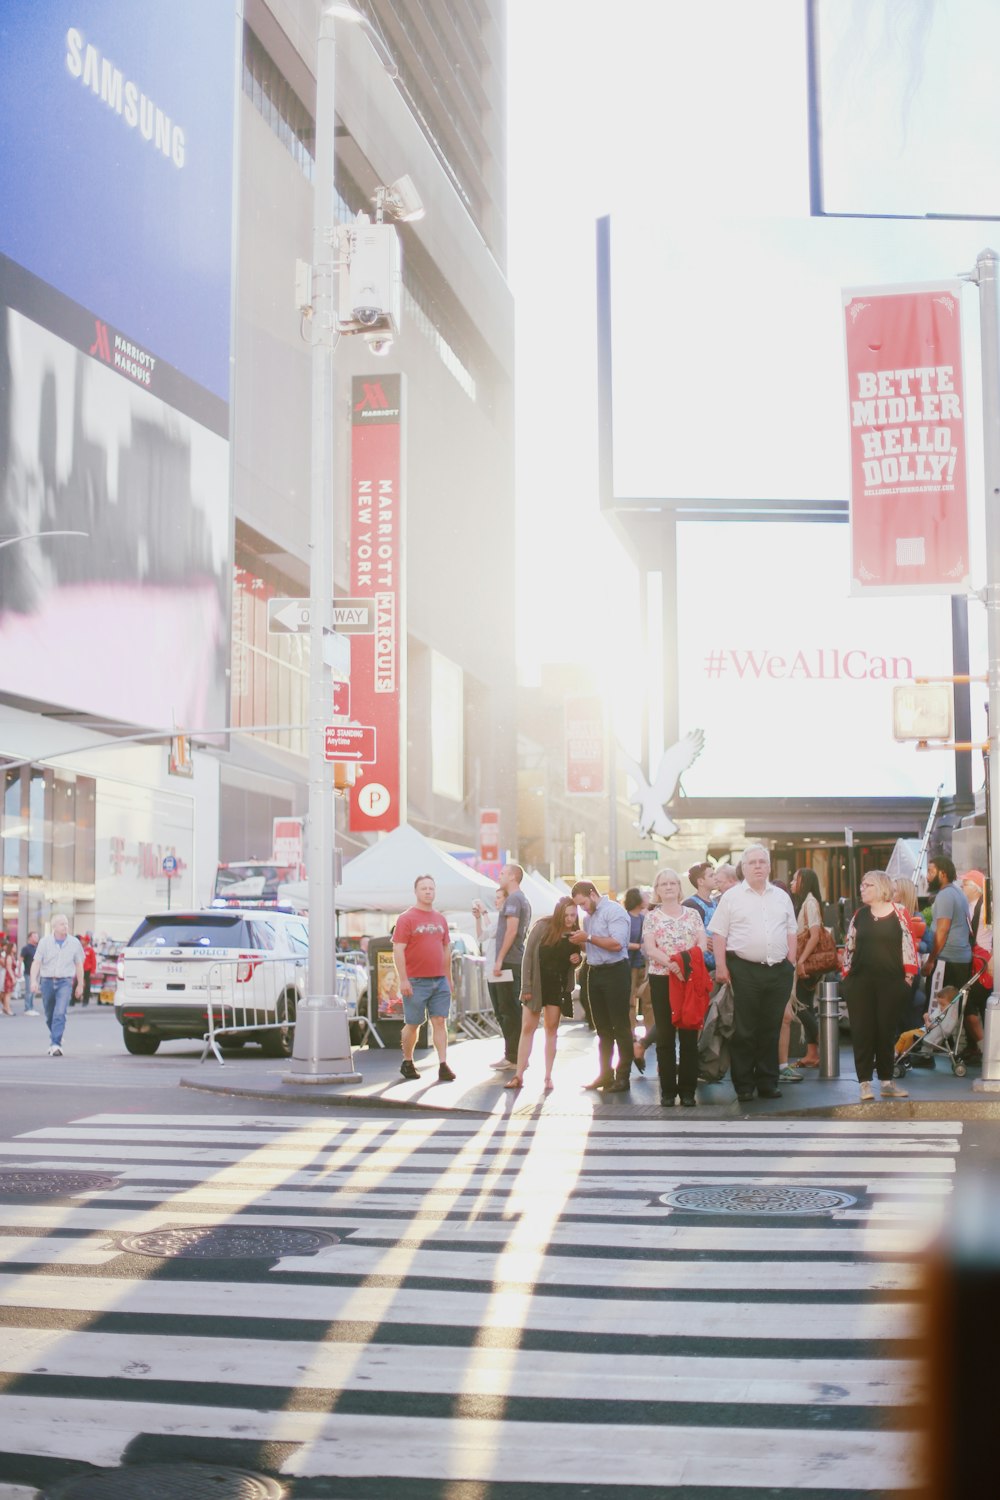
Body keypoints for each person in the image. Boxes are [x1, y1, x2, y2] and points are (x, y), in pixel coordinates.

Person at [709, 844, 797, 1102]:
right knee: (745, 1029)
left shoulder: (781, 897)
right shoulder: (732, 897)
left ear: (769, 867)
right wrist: (722, 966)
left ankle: (768, 1083)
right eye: (752, 863)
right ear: (744, 868)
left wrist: (790, 963)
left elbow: (791, 930)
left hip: (778, 971)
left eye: (762, 862)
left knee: (770, 1029)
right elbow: (719, 933)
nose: (758, 866)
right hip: (743, 969)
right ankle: (744, 1085)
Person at [841, 870, 918, 1101]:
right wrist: (846, 976)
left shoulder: (900, 913)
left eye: (868, 885)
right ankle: (864, 1083)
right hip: (860, 982)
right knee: (863, 1032)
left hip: (892, 983)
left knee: (886, 1032)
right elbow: (849, 946)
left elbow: (909, 946)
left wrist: (908, 978)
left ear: (881, 887)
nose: (862, 888)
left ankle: (887, 1081)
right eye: (862, 885)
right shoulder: (859, 915)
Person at [643, 867, 708, 1107]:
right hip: (662, 978)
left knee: (690, 1034)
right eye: (663, 884)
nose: (669, 887)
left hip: (689, 978)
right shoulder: (652, 917)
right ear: (657, 890)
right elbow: (651, 948)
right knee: (665, 1035)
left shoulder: (692, 914)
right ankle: (668, 1091)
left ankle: (688, 1090)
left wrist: (685, 964)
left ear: (680, 888)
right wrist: (673, 965)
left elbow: (702, 943)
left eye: (673, 883)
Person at [507, 897, 581, 1091]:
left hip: (557, 987)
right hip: (537, 984)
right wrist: (526, 987)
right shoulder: (542, 927)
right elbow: (528, 956)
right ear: (558, 913)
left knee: (551, 1031)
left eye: (573, 915)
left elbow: (574, 960)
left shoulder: (575, 933)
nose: (569, 919)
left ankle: (548, 1076)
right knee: (528, 1028)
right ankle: (519, 1075)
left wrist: (577, 959)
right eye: (566, 915)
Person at [392, 875, 456, 1084]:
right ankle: (408, 1061)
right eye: (424, 888)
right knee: (413, 1023)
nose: (428, 891)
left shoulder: (440, 919)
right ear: (416, 892)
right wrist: (403, 980)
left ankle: (443, 1064)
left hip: (439, 981)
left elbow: (446, 949)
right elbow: (398, 950)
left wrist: (449, 977)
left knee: (439, 1020)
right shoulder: (406, 918)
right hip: (416, 981)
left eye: (431, 888)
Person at [570, 880, 633, 1092]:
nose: (583, 908)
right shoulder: (588, 918)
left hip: (615, 971)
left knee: (620, 1026)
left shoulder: (614, 911)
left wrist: (587, 937)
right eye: (579, 906)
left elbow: (617, 943)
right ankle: (605, 1074)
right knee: (602, 1029)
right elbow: (592, 947)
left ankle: (623, 1076)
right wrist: (578, 942)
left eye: (583, 903)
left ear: (592, 894)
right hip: (595, 971)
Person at [783, 868, 826, 1074]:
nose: (792, 883)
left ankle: (823, 1042)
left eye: (795, 879)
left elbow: (815, 935)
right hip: (807, 963)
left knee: (799, 1005)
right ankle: (812, 1054)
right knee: (806, 1004)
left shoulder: (809, 903)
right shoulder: (807, 902)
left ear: (804, 881)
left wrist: (800, 960)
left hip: (806, 963)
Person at [489, 864, 532, 1072]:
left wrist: (499, 959)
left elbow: (512, 930)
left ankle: (513, 1056)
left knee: (508, 1010)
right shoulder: (521, 898)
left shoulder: (514, 899)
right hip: (513, 961)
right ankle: (514, 1054)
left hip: (509, 961)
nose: (500, 876)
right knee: (508, 1009)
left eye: (503, 873)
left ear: (513, 876)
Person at [30, 915, 84, 1056]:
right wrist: (33, 981)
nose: (65, 926)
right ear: (54, 926)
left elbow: (79, 964)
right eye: (61, 924)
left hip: (65, 981)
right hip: (47, 980)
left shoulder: (74, 943)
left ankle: (55, 1044)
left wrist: (80, 985)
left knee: (60, 1012)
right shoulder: (45, 942)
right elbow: (36, 962)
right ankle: (56, 1033)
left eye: (66, 924)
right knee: (49, 1014)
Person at [623, 887, 650, 1036]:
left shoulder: (644, 918)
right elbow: (621, 941)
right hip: (630, 964)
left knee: (648, 999)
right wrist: (639, 946)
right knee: (630, 1000)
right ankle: (631, 1032)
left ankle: (650, 1032)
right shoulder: (625, 918)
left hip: (643, 963)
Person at [682, 863, 717, 971]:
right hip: (700, 964)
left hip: (716, 961)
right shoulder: (690, 904)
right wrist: (701, 939)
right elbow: (683, 932)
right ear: (700, 881)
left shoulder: (715, 902)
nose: (715, 878)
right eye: (711, 876)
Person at [20, 930, 39, 1015]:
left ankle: (31, 1007)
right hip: (28, 972)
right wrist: (18, 970)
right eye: (34, 936)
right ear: (30, 938)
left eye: (37, 936)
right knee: (28, 991)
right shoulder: (26, 948)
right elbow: (20, 960)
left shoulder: (37, 948)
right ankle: (27, 1008)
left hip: (36, 973)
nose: (36, 938)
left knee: (33, 991)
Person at [79, 932, 97, 1007]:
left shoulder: (90, 950)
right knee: (77, 984)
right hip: (80, 969)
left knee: (87, 986)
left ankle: (85, 1001)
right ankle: (74, 1000)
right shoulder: (80, 949)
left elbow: (94, 961)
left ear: (86, 941)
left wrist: (93, 971)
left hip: (87, 970)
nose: (81, 941)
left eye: (83, 940)